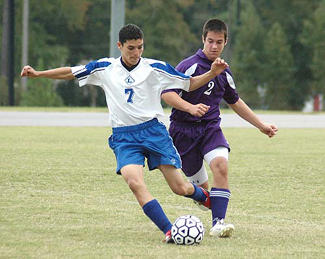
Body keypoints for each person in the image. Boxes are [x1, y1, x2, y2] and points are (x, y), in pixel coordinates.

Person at [20, 24, 229, 243]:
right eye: (131, 48)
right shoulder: (105, 68)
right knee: (134, 183)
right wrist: (38, 74)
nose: (136, 53)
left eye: (140, 47)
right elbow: (70, 72)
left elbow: (189, 84)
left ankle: (206, 199)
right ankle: (169, 230)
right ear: (119, 46)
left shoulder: (155, 68)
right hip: (124, 137)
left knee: (181, 187)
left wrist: (212, 73)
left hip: (154, 133)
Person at [161, 18, 278, 238]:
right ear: (203, 40)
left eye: (219, 42)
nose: (214, 46)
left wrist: (261, 125)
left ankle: (218, 224)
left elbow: (235, 102)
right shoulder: (189, 66)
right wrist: (191, 107)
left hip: (210, 130)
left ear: (226, 43)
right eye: (211, 41)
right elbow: (167, 94)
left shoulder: (224, 71)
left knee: (221, 167)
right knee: (204, 196)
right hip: (183, 133)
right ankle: (210, 207)